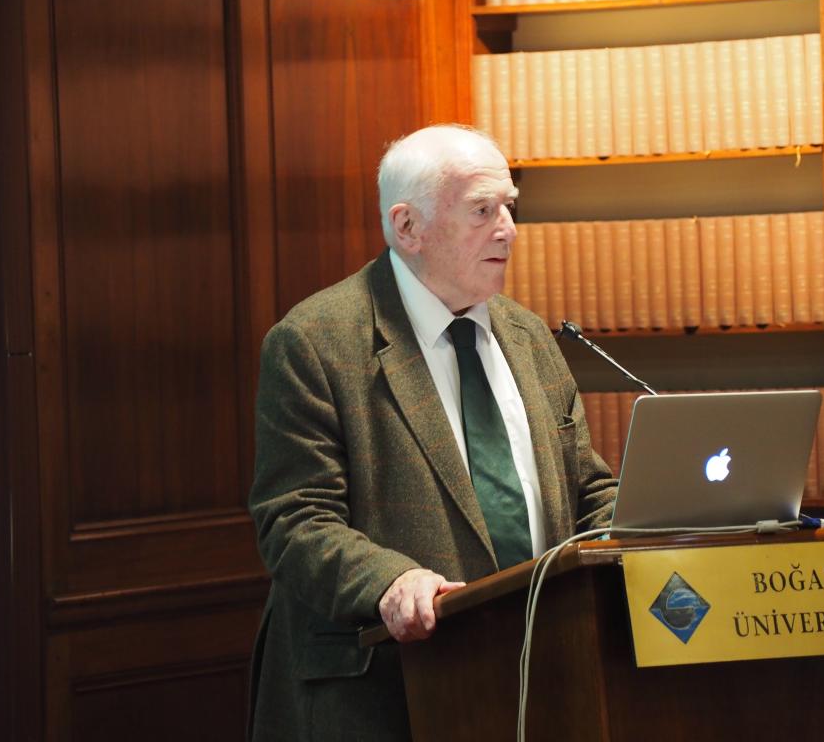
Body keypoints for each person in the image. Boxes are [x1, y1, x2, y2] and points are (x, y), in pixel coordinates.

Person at [247, 124, 617, 741]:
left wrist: (653, 524)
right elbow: (295, 519)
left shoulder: (528, 336)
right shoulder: (315, 343)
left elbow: (585, 488)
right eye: (482, 210)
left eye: (510, 208)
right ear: (407, 227)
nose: (508, 230)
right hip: (386, 691)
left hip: (535, 675)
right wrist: (390, 580)